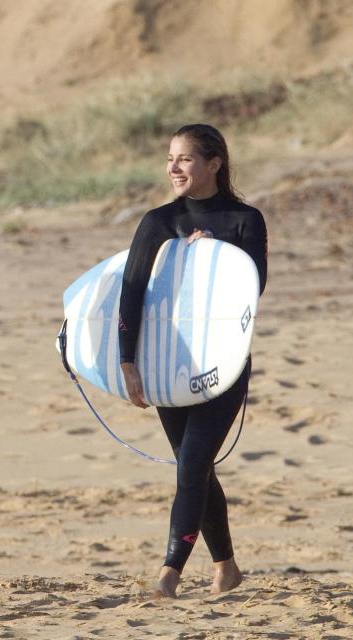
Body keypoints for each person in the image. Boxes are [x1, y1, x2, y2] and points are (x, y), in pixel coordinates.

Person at [118, 124, 267, 598]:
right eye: (170, 159)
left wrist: (211, 256)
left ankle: (169, 575)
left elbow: (252, 285)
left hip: (223, 365)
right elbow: (131, 293)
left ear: (214, 164)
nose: (173, 168)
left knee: (192, 466)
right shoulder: (158, 223)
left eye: (184, 159)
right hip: (166, 363)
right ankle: (226, 568)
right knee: (194, 468)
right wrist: (127, 361)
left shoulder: (246, 220)